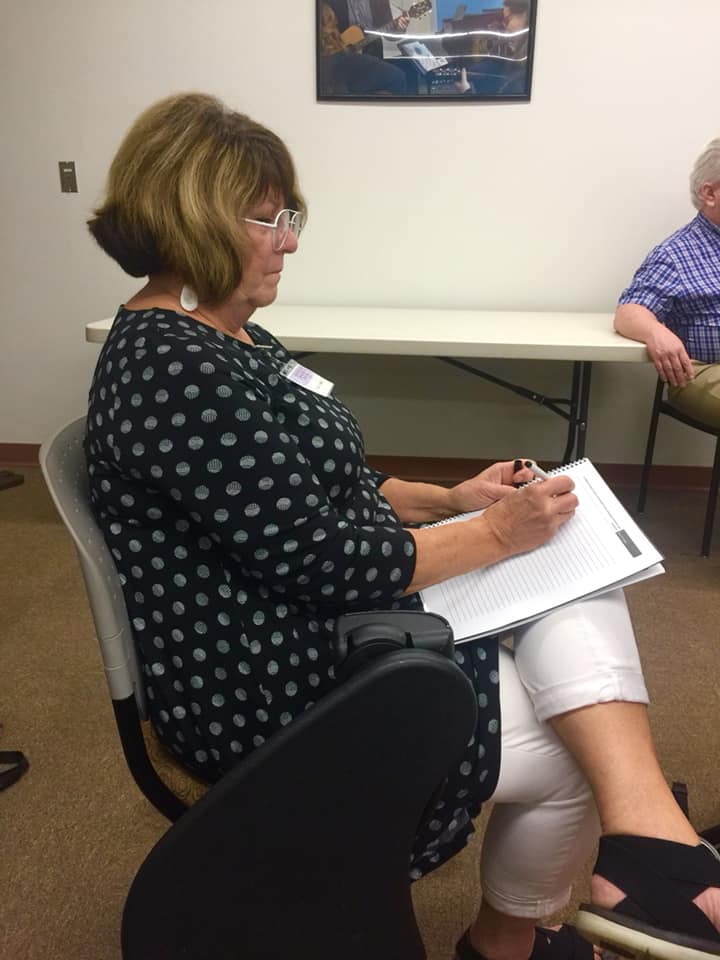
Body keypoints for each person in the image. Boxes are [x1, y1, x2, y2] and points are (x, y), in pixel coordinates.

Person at [85, 93, 720, 960]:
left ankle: (649, 853)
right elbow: (319, 558)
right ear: (191, 216)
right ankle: (531, 929)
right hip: (268, 678)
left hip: (304, 620)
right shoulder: (174, 364)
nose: (290, 241)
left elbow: (328, 488)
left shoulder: (229, 336)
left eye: (290, 217)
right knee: (581, 744)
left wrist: (456, 500)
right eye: (271, 219)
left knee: (575, 583)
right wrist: (498, 534)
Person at [615, 137, 720, 428]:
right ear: (709, 193)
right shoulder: (675, 254)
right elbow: (629, 311)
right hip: (702, 370)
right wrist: (656, 333)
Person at [318, 1, 408, 95]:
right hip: (339, 63)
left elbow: (390, 35)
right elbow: (324, 24)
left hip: (372, 58)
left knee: (395, 78)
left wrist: (399, 27)